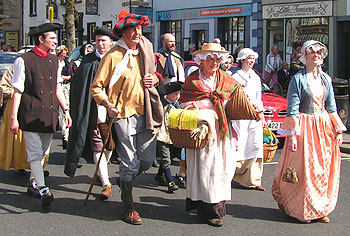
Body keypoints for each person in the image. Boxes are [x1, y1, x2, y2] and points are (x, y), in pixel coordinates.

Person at [90, 10, 163, 225]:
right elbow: (96, 87)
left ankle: (124, 179)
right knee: (130, 162)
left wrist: (155, 81)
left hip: (147, 112)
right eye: (133, 29)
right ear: (123, 33)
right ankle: (128, 207)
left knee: (147, 161)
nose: (137, 33)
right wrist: (107, 104)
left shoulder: (146, 50)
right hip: (122, 114)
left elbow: (155, 76)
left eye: (140, 29)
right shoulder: (113, 55)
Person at [272, 40, 346, 223]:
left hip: (322, 128)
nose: (316, 55)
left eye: (319, 53)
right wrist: (293, 135)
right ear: (305, 57)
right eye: (312, 53)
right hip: (304, 128)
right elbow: (292, 110)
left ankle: (320, 208)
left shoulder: (325, 79)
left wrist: (338, 129)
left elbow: (331, 108)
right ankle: (303, 209)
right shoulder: (298, 79)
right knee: (305, 169)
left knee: (321, 169)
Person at [9, 23, 72, 208]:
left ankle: (32, 182)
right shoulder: (23, 60)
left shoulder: (54, 60)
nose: (55, 41)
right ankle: (43, 189)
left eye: (55, 38)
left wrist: (66, 110)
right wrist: (14, 117)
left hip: (49, 114)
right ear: (41, 40)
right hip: (30, 113)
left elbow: (57, 89)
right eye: (52, 38)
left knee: (44, 153)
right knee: (35, 153)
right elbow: (17, 90)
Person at [179, 43, 238, 227]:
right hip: (201, 131)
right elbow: (183, 101)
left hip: (221, 130)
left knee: (222, 169)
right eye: (210, 58)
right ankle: (208, 210)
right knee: (203, 169)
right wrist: (192, 106)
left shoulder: (226, 79)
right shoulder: (192, 80)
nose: (214, 62)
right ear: (202, 60)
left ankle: (214, 206)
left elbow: (237, 100)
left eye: (217, 58)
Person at [64, 26, 115, 200]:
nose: (100, 44)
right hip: (94, 111)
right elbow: (78, 90)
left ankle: (101, 172)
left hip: (116, 111)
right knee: (98, 145)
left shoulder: (118, 59)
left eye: (103, 41)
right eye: (98, 41)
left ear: (111, 42)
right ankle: (106, 182)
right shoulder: (88, 62)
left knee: (110, 146)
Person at [0, 66, 49, 179]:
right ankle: (20, 165)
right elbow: (3, 86)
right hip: (16, 106)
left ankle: (37, 168)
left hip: (35, 106)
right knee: (19, 140)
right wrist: (17, 91)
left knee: (37, 140)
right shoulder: (16, 67)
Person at [231, 48, 265, 191]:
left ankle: (254, 179)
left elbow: (258, 97)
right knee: (241, 145)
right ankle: (235, 175)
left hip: (254, 116)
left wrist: (260, 111)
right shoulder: (236, 77)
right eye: (249, 58)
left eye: (253, 58)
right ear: (242, 59)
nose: (251, 61)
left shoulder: (255, 77)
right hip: (242, 116)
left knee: (255, 145)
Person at [154, 81, 183, 193]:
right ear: (168, 94)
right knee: (166, 159)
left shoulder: (177, 106)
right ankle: (170, 182)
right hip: (162, 135)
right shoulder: (162, 105)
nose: (178, 96)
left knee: (169, 157)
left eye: (179, 94)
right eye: (175, 94)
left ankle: (159, 175)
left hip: (172, 136)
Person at [56, 45, 72, 148]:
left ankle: (66, 134)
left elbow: (71, 75)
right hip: (56, 88)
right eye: (63, 52)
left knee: (65, 109)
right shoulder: (54, 62)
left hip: (65, 88)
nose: (65, 54)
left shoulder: (66, 63)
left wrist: (65, 77)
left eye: (66, 53)